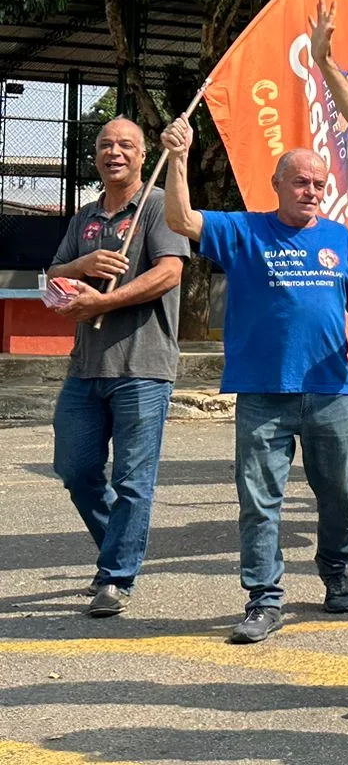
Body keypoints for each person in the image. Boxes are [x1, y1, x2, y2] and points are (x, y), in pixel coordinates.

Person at [161, 117, 348, 643]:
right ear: (277, 185)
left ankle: (336, 570)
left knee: (343, 492)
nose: (311, 191)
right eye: (301, 182)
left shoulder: (338, 238)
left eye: (319, 184)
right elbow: (180, 218)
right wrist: (179, 157)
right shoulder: (243, 230)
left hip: (330, 392)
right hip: (262, 393)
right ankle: (263, 599)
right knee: (259, 500)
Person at [47, 117, 190, 618]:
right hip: (85, 367)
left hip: (143, 367)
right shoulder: (84, 217)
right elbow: (54, 276)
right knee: (75, 468)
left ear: (143, 155)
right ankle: (118, 547)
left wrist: (103, 305)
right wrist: (80, 270)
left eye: (126, 145)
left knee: (133, 479)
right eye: (106, 144)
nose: (115, 152)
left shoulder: (156, 207)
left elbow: (170, 272)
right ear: (95, 156)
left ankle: (116, 576)